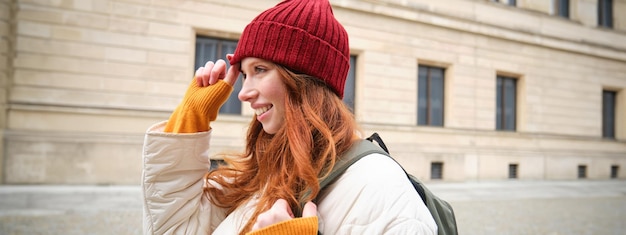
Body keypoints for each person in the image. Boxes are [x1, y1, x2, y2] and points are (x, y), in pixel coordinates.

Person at [141, 0, 438, 234]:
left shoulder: (380, 190)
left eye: (260, 70)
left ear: (305, 81)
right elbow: (176, 229)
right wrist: (189, 122)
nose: (242, 93)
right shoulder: (264, 173)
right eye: (243, 74)